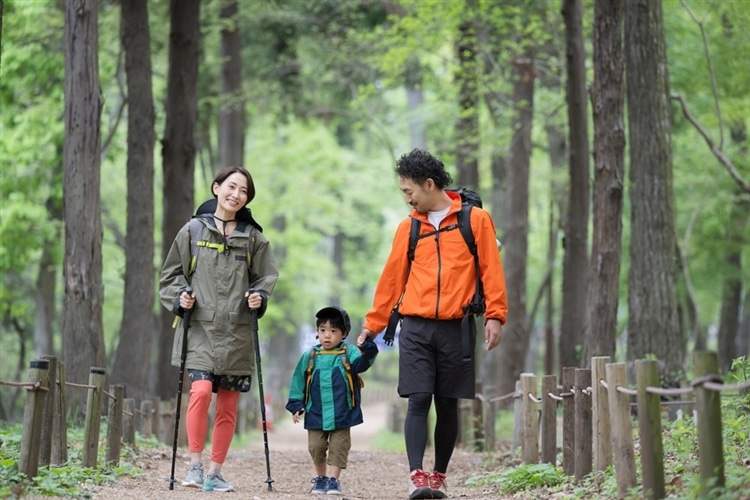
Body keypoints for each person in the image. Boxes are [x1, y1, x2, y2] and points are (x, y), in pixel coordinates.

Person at [356, 149, 507, 500]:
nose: (407, 198)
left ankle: (438, 475)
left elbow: (491, 271)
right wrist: (373, 325)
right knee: (419, 398)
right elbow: (391, 281)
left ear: (429, 184)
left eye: (408, 191)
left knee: (448, 402)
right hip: (415, 327)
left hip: (457, 326)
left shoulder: (476, 221)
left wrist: (496, 316)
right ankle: (416, 477)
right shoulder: (408, 228)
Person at [159, 166, 279, 493]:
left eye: (243, 191)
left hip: (237, 333)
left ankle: (215, 471)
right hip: (199, 329)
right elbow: (170, 276)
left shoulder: (254, 237)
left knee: (228, 404)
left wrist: (259, 297)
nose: (236, 194)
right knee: (198, 393)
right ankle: (195, 465)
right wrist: (179, 297)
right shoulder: (193, 231)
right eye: (231, 186)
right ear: (216, 188)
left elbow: (266, 278)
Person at [286, 306, 378, 496]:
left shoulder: (348, 353)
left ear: (344, 333)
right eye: (322, 330)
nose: (327, 335)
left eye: (333, 331)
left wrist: (367, 349)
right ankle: (321, 478)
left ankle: (334, 480)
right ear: (317, 332)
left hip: (342, 411)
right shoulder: (310, 356)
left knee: (339, 447)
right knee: (316, 447)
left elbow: (362, 365)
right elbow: (298, 381)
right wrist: (296, 405)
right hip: (316, 411)